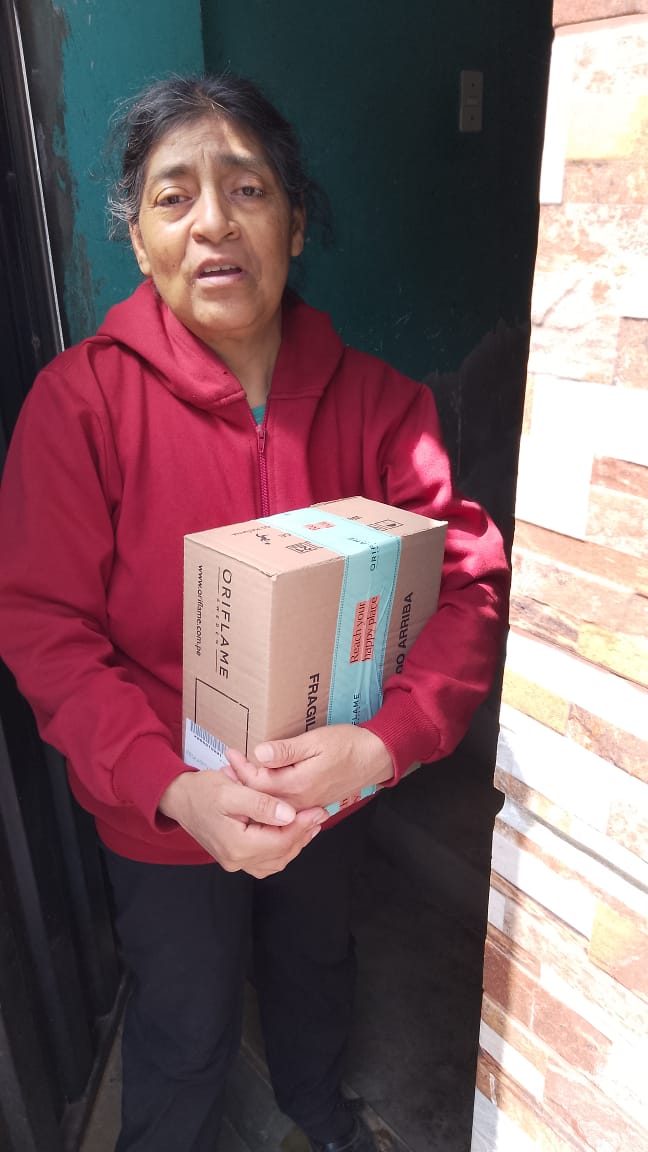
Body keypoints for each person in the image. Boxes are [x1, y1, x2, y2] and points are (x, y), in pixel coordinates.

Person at [0, 74, 509, 1152]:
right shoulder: (80, 406)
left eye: (247, 188)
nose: (214, 222)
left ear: (296, 222)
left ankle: (319, 1115)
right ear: (138, 243)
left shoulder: (384, 406)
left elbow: (467, 584)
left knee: (316, 964)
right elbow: (46, 628)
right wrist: (170, 788)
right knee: (185, 1025)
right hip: (162, 809)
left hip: (330, 786)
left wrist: (382, 746)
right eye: (173, 196)